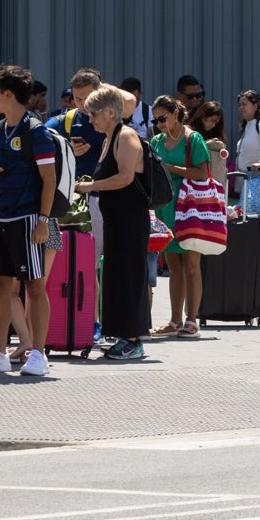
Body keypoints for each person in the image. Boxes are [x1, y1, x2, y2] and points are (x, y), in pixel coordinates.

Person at [0, 65, 56, 378]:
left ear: (8, 94)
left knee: (34, 287)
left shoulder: (36, 131)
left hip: (29, 218)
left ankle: (39, 355)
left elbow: (49, 179)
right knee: (1, 285)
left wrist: (44, 220)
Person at [75, 85, 150, 359]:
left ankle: (133, 340)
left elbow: (125, 177)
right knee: (116, 276)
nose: (91, 119)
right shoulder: (108, 139)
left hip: (130, 220)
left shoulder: (126, 137)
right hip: (116, 219)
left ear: (110, 112)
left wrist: (89, 186)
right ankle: (123, 335)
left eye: (94, 114)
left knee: (129, 277)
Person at [149, 94, 211, 337]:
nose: (160, 125)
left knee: (192, 266)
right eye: (156, 121)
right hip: (165, 206)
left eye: (163, 119)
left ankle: (192, 320)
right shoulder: (156, 141)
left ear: (176, 113)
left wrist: (169, 168)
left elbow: (202, 173)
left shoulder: (192, 139)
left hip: (188, 207)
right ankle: (175, 321)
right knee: (174, 266)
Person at [189, 100, 229, 186]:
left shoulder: (216, 133)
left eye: (215, 122)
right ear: (202, 116)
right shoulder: (190, 132)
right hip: (194, 178)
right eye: (210, 120)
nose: (212, 124)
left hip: (213, 180)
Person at [235, 89, 260, 174]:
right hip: (242, 179)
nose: (241, 107)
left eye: (244, 104)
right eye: (239, 105)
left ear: (255, 106)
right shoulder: (247, 126)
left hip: (255, 179)